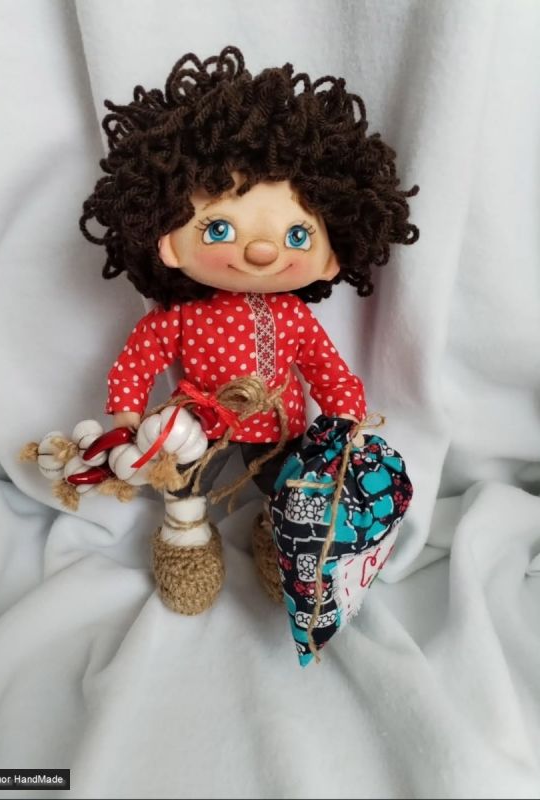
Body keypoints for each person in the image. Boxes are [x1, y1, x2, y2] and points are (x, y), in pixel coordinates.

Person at [80, 46, 418, 615]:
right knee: (183, 483)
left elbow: (327, 370)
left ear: (331, 259)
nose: (261, 251)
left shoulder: (294, 317)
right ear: (168, 242)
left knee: (289, 488)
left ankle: (276, 538)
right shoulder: (180, 314)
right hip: (197, 423)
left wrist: (345, 420)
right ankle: (186, 538)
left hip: (279, 426)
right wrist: (127, 413)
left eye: (296, 236)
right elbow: (138, 360)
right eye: (218, 229)